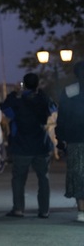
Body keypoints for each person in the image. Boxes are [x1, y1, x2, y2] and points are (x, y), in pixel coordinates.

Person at [0, 72, 56, 218]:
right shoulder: (44, 99)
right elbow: (53, 110)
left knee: (18, 178)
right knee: (43, 178)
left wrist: (14, 93)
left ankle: (18, 209)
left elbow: (5, 109)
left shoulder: (17, 100)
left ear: (24, 84)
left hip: (21, 144)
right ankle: (44, 210)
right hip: (41, 144)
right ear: (38, 84)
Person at [55, 61, 84, 223]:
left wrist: (61, 138)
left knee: (78, 175)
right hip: (76, 138)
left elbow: (63, 117)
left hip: (75, 140)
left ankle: (81, 211)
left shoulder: (69, 91)